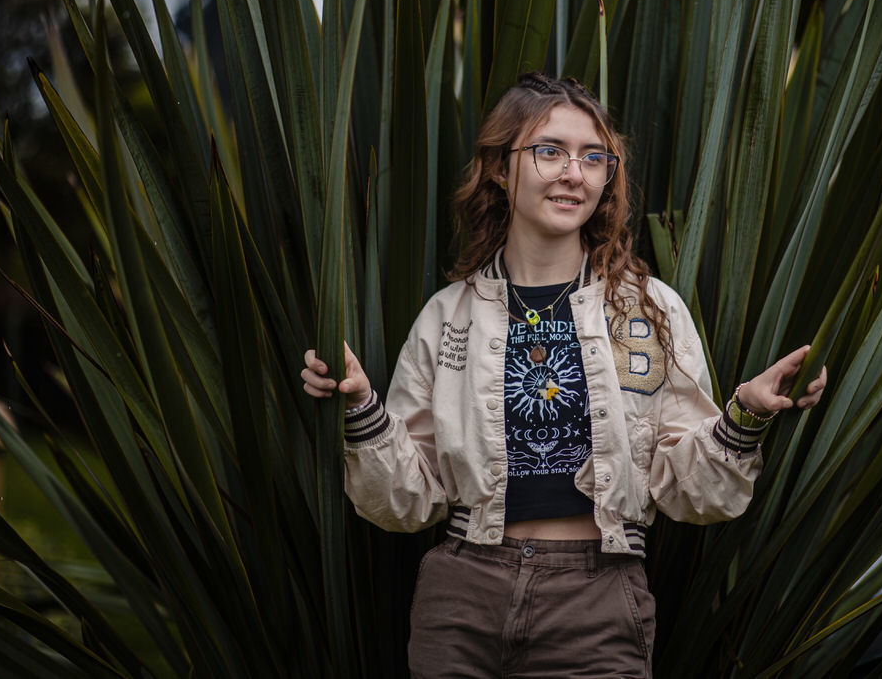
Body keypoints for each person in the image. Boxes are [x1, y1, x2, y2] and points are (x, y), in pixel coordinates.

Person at [301, 72, 826, 678]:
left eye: (593, 157)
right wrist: (361, 406)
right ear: (501, 168)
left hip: (597, 599)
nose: (574, 173)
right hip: (463, 597)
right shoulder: (447, 317)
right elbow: (405, 501)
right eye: (549, 151)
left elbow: (693, 493)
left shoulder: (649, 310)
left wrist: (747, 412)